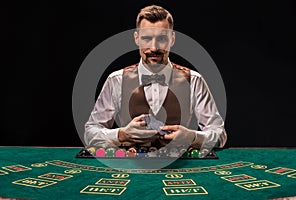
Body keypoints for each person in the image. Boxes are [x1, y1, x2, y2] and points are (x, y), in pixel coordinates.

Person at [84, 5, 227, 152]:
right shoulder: (116, 80)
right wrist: (121, 134)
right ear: (137, 39)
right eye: (147, 38)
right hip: (130, 169)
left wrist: (192, 137)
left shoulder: (194, 80)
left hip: (181, 169)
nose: (154, 47)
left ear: (172, 39)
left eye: (162, 39)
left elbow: (220, 135)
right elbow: (89, 133)